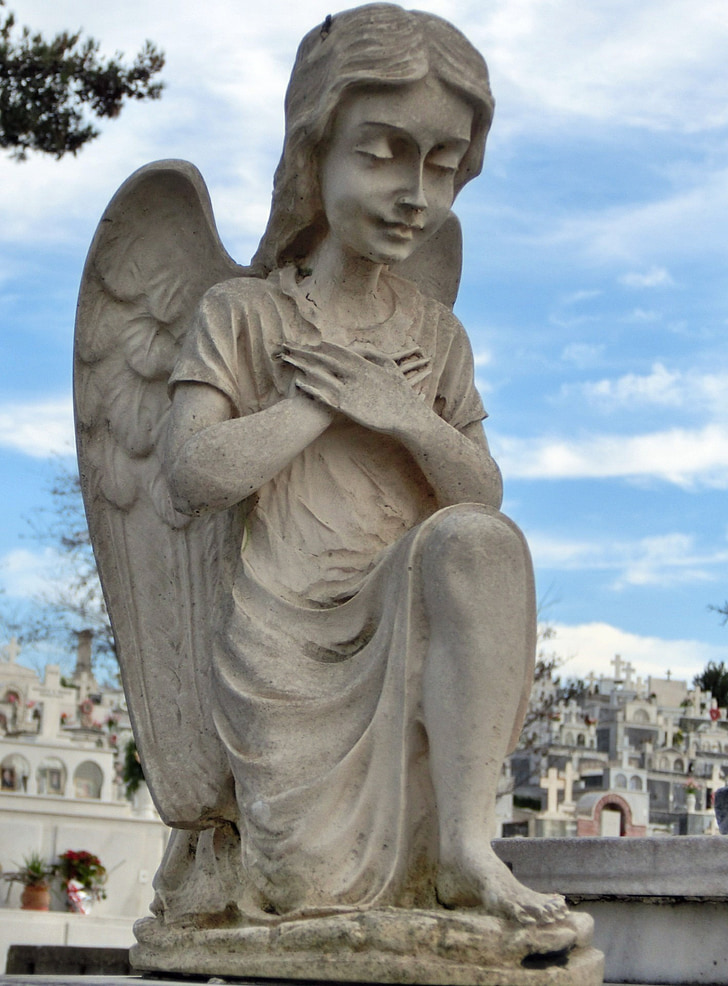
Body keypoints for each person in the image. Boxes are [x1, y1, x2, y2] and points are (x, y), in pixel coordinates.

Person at [159, 3, 564, 927]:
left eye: (445, 166)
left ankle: (465, 849)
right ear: (315, 154)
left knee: (473, 541)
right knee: (305, 895)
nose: (416, 191)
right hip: (287, 639)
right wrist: (316, 405)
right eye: (383, 151)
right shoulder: (244, 314)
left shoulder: (436, 336)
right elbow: (192, 474)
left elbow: (482, 494)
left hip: (407, 609)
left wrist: (400, 417)